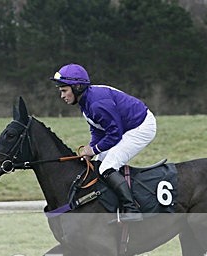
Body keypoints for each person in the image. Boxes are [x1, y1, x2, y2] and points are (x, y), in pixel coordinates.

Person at [51, 63, 157, 222]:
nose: (62, 96)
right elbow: (98, 130)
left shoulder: (96, 104)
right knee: (98, 165)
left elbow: (114, 135)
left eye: (64, 90)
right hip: (126, 127)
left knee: (108, 167)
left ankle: (131, 209)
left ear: (78, 87)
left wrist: (93, 150)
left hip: (141, 127)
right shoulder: (85, 101)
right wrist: (92, 150)